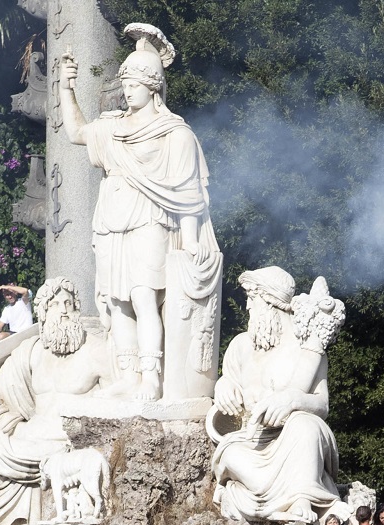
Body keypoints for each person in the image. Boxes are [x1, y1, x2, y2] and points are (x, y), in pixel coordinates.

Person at [58, 25, 223, 400]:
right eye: (125, 82)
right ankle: (129, 374)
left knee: (144, 297)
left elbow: (188, 192)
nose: (127, 89)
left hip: (150, 218)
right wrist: (66, 88)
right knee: (117, 302)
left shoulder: (174, 134)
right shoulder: (112, 127)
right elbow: (76, 132)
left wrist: (193, 239)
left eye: (134, 83)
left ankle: (152, 375)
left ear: (154, 87)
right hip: (111, 218)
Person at [211, 267, 344, 523]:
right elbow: (228, 382)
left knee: (306, 425)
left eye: (252, 298)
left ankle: (301, 498)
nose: (248, 307)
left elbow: (322, 404)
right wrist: (223, 386)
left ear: (270, 302)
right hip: (251, 441)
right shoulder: (240, 345)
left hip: (292, 440)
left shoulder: (306, 349)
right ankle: (273, 499)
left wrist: (293, 401)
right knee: (229, 455)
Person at [0, 277, 113, 525]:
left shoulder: (97, 350)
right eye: (55, 304)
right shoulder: (32, 351)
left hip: (63, 445)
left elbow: (122, 397)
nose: (64, 309)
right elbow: (0, 388)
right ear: (43, 313)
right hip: (23, 440)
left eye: (69, 302)